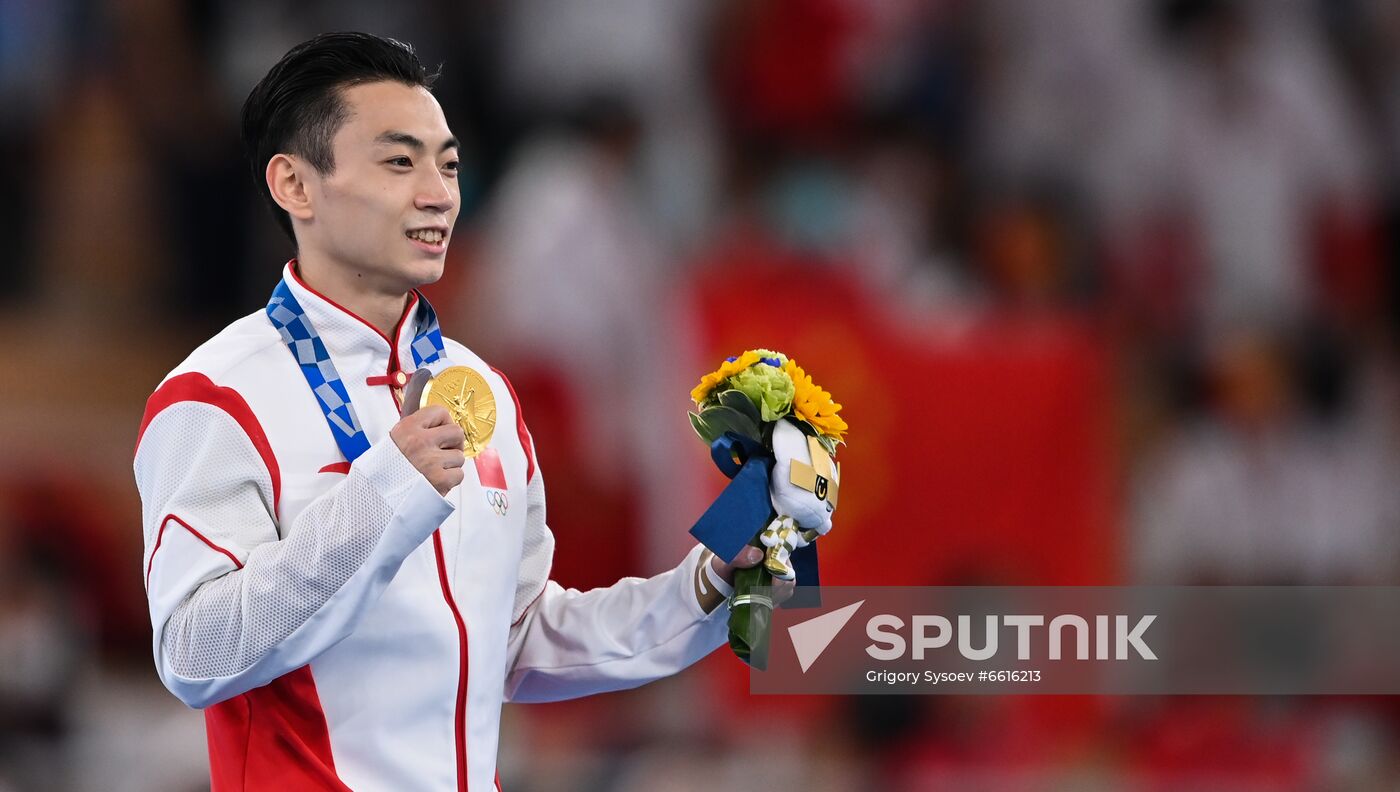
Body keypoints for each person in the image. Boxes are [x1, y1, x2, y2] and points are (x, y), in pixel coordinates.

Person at [132, 32, 783, 791]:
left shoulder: (487, 395)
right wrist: (382, 499)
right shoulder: (215, 398)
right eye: (399, 161)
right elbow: (195, 654)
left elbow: (520, 639)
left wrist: (707, 584)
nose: (438, 193)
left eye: (448, 164)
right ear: (295, 186)